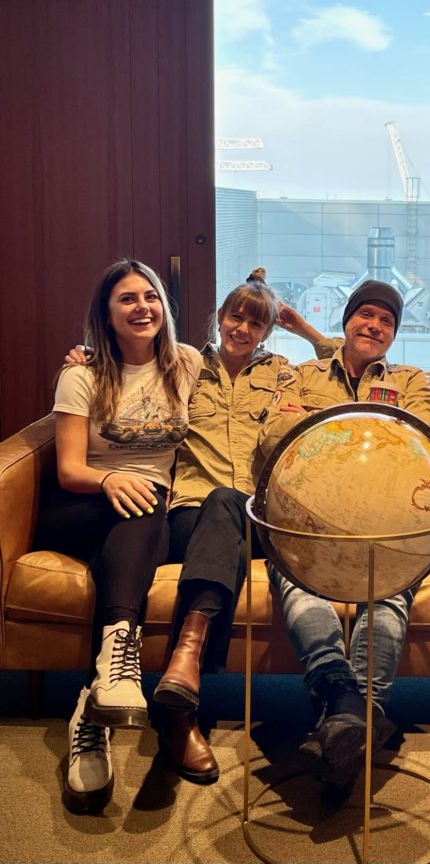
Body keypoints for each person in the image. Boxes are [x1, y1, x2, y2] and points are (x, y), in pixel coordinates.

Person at [69, 269, 332, 787]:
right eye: (235, 317)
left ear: (267, 331)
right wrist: (86, 356)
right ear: (220, 317)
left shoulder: (284, 374)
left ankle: (181, 699)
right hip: (190, 513)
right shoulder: (186, 366)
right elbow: (131, 369)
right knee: (218, 505)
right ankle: (181, 693)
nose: (242, 329)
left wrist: (305, 331)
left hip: (261, 518)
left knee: (229, 504)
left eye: (256, 323)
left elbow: (340, 363)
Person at [35, 259, 203, 814]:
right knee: (144, 501)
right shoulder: (82, 375)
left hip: (144, 517)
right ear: (106, 315)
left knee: (147, 510)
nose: (142, 307)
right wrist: (111, 479)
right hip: (81, 505)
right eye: (127, 299)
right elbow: (68, 470)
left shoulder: (187, 364)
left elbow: (251, 367)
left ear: (164, 307)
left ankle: (94, 702)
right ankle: (117, 660)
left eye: (150, 296)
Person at [261, 279, 430, 791]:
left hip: (388, 523)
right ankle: (352, 707)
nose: (374, 326)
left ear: (394, 334)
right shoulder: (301, 375)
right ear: (347, 321)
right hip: (306, 521)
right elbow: (271, 435)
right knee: (298, 580)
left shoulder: (411, 381)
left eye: (386, 321)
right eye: (366, 315)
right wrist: (366, 430)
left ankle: (345, 719)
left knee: (391, 590)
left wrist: (318, 426)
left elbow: (423, 442)